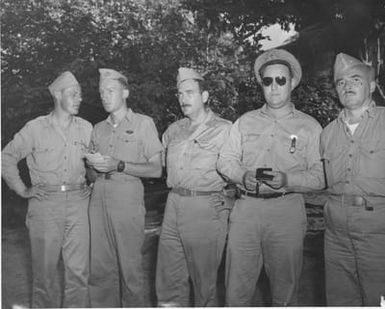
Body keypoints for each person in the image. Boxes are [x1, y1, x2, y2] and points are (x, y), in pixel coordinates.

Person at [217, 49, 325, 306]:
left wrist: (288, 180)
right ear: (261, 84)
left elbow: (321, 176)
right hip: (246, 212)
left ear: (292, 83)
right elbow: (225, 160)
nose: (274, 87)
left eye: (281, 80)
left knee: (285, 290)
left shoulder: (309, 127)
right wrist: (242, 175)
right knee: (236, 289)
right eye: (268, 81)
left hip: (286, 211)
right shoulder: (244, 122)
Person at [2, 71, 92, 308]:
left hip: (79, 202)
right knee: (44, 275)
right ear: (57, 95)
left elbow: (96, 165)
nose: (79, 99)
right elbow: (6, 157)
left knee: (79, 273)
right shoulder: (35, 128)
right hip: (45, 204)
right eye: (73, 94)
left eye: (80, 94)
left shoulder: (86, 128)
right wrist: (21, 189)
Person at [155, 67, 232, 307]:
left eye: (189, 92)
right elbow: (157, 164)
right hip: (173, 204)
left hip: (205, 207)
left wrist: (234, 198)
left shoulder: (225, 129)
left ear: (205, 96)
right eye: (179, 94)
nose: (183, 99)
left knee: (204, 283)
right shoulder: (173, 130)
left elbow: (245, 169)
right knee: (168, 279)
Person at [86, 68, 163, 307]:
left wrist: (118, 164)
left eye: (111, 91)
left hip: (127, 197)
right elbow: (89, 173)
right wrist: (92, 167)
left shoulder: (143, 124)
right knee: (99, 270)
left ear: (125, 92)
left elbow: (156, 169)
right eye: (101, 92)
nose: (105, 96)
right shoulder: (98, 128)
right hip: (98, 197)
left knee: (129, 269)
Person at [320, 53, 385, 306]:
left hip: (378, 231)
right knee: (340, 300)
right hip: (335, 232)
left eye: (355, 80)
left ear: (370, 86)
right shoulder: (327, 134)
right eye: (340, 82)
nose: (346, 86)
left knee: (380, 299)